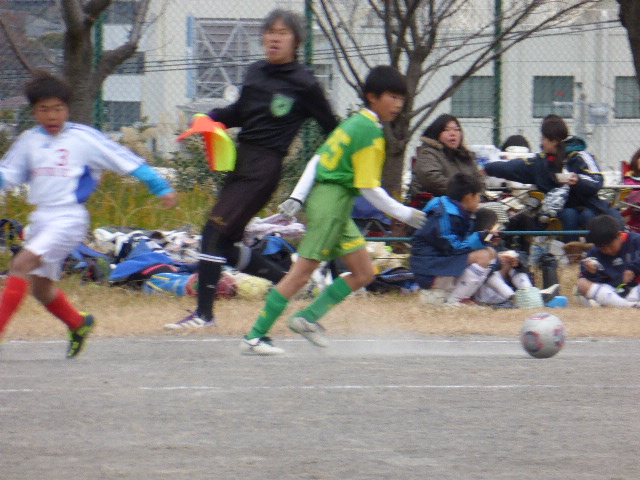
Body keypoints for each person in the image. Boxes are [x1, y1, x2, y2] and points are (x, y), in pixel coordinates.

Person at [165, 9, 337, 330]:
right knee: (224, 245)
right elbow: (239, 113)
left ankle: (204, 316)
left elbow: (332, 128)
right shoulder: (256, 72)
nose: (274, 38)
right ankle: (288, 283)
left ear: (296, 41)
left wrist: (334, 171)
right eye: (270, 32)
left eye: (282, 33)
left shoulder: (305, 83)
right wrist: (210, 117)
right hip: (240, 162)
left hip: (264, 169)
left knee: (212, 233)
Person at [239, 65, 426, 355]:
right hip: (331, 206)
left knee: (364, 272)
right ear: (372, 96)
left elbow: (317, 159)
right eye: (392, 97)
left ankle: (306, 318)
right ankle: (255, 336)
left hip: (334, 204)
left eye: (401, 98)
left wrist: (298, 196)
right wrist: (405, 214)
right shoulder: (369, 132)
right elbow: (368, 187)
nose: (398, 104)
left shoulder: (353, 124)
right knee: (301, 275)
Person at [0, 70, 177, 357]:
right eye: (44, 109)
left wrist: (160, 187)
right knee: (41, 289)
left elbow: (125, 161)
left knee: (20, 264)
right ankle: (78, 323)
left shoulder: (83, 138)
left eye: (58, 108)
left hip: (69, 219)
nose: (52, 115)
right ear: (34, 112)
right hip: (41, 219)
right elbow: (8, 175)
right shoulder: (29, 141)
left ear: (67, 109)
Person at [484, 114, 623, 242]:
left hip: (589, 205)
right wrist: (487, 168)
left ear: (554, 141)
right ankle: (571, 255)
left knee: (590, 216)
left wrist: (578, 180)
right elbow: (513, 167)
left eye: (544, 139)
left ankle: (594, 252)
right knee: (569, 214)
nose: (542, 143)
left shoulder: (580, 156)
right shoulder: (540, 162)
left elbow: (597, 181)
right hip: (557, 211)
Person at [410, 173, 501, 306]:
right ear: (469, 197)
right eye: (478, 196)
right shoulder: (444, 214)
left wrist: (486, 240)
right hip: (429, 271)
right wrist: (480, 238)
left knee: (490, 253)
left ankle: (504, 295)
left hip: (437, 264)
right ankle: (455, 302)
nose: (479, 201)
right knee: (484, 256)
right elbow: (453, 248)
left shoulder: (455, 210)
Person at [409, 114, 480, 200]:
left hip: (467, 201)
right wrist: (464, 194)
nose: (453, 134)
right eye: (446, 130)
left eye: (456, 130)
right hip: (437, 203)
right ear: (437, 133)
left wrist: (478, 195)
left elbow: (479, 179)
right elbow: (433, 180)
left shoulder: (465, 155)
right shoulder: (428, 154)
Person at [576, 214, 640, 307]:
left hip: (636, 289)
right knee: (582, 284)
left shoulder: (635, 240)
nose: (607, 250)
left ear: (619, 235)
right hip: (611, 292)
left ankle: (626, 303)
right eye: (602, 247)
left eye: (610, 245)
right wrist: (591, 273)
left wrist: (633, 269)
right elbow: (589, 277)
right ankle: (626, 305)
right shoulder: (594, 253)